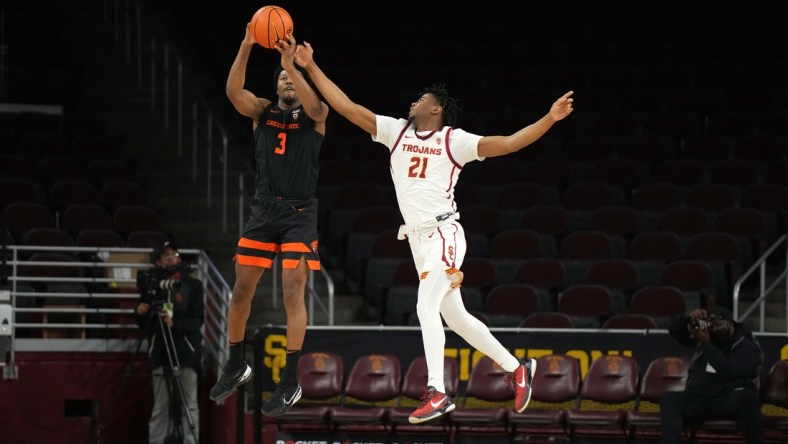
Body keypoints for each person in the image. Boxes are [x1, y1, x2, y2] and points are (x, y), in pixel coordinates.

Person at [285, 36, 574, 423]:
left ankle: (437, 391)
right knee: (455, 318)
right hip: (418, 241)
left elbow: (509, 144)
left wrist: (549, 119)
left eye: (420, 100)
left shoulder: (454, 140)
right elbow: (347, 107)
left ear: (436, 109)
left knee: (424, 306)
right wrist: (309, 66)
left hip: (444, 235)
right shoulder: (396, 132)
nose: (412, 103)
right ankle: (517, 368)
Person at [208, 23, 329, 418]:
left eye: (291, 77)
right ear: (276, 88)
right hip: (263, 210)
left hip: (299, 214)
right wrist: (245, 44)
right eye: (281, 77)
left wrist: (292, 64)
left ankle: (290, 379)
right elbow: (231, 93)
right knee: (241, 290)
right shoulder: (261, 111)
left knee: (292, 291)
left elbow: (315, 106)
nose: (286, 81)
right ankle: (235, 363)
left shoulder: (316, 115)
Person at [661, 307, 764, 444]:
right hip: (700, 399)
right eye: (711, 326)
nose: (714, 330)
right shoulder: (707, 337)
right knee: (670, 399)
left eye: (718, 325)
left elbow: (728, 370)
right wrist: (688, 317)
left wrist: (706, 343)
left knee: (748, 398)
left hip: (727, 401)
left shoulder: (746, 346)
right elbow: (673, 329)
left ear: (730, 324)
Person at [135, 241, 204, 444]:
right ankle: (156, 441)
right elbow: (145, 324)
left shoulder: (193, 286)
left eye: (174, 255)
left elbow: (198, 320)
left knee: (189, 404)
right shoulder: (151, 286)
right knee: (160, 406)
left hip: (186, 352)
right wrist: (138, 313)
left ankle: (191, 441)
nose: (171, 258)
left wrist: (175, 324)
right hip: (160, 352)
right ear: (158, 262)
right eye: (166, 256)